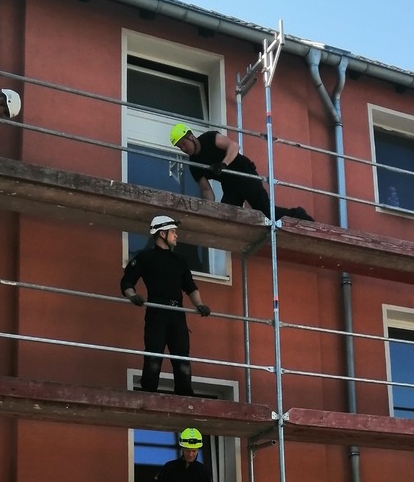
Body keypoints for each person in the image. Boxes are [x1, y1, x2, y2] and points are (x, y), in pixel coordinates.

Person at [120, 215, 211, 396]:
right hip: (157, 311)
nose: (176, 236)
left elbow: (190, 287)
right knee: (154, 355)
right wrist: (133, 296)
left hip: (177, 313)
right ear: (162, 233)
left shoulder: (179, 260)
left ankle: (185, 395)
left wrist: (200, 304)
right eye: (173, 232)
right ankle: (148, 393)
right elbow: (126, 282)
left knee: (182, 357)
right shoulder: (146, 257)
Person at [170, 124, 313, 222]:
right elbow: (207, 191)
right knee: (225, 213)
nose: (183, 149)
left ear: (190, 136)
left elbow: (234, 146)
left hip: (244, 174)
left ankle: (299, 215)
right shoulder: (194, 164)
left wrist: (224, 163)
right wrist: (209, 210)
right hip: (230, 185)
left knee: (265, 211)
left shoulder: (209, 138)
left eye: (183, 144)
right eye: (179, 147)